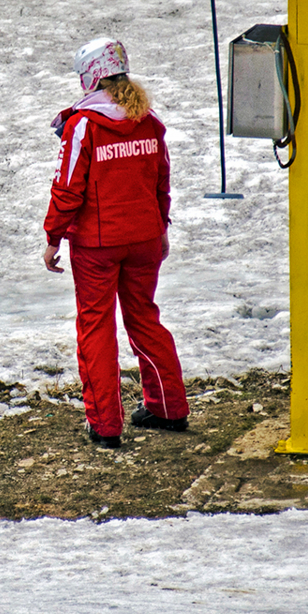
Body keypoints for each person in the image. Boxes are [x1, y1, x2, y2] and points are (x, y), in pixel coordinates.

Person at [41, 37, 190, 449]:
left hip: (97, 246)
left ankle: (105, 425)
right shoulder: (148, 120)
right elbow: (162, 182)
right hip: (144, 237)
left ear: (91, 76)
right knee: (144, 316)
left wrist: (53, 236)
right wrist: (160, 230)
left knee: (96, 327)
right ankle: (168, 407)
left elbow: (67, 188)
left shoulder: (83, 124)